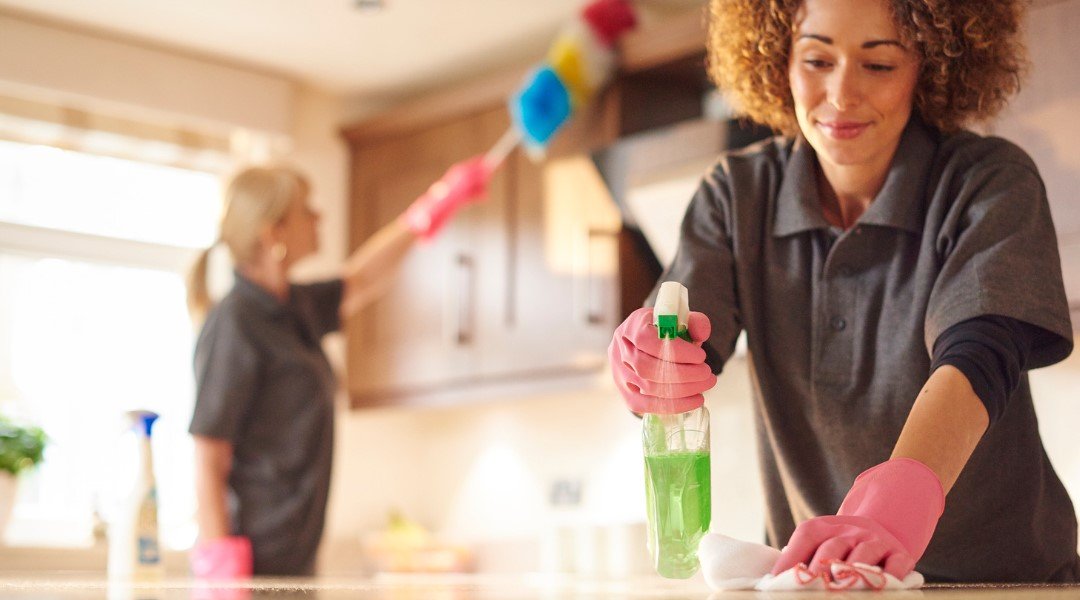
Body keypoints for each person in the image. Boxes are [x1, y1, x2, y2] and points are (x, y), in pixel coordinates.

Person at [610, 0, 1080, 584]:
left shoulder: (986, 181)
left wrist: (900, 498)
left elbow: (981, 353)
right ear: (777, 59)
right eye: (816, 59)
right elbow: (683, 335)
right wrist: (653, 364)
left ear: (931, 65)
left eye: (878, 65)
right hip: (820, 582)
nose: (841, 93)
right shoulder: (735, 196)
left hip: (1002, 583)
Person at [185, 157, 491, 577]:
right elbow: (208, 457)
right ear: (275, 232)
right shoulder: (237, 321)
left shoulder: (292, 309)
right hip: (253, 568)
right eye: (306, 210)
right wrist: (223, 574)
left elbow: (361, 278)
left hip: (295, 561)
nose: (319, 216)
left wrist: (436, 205)